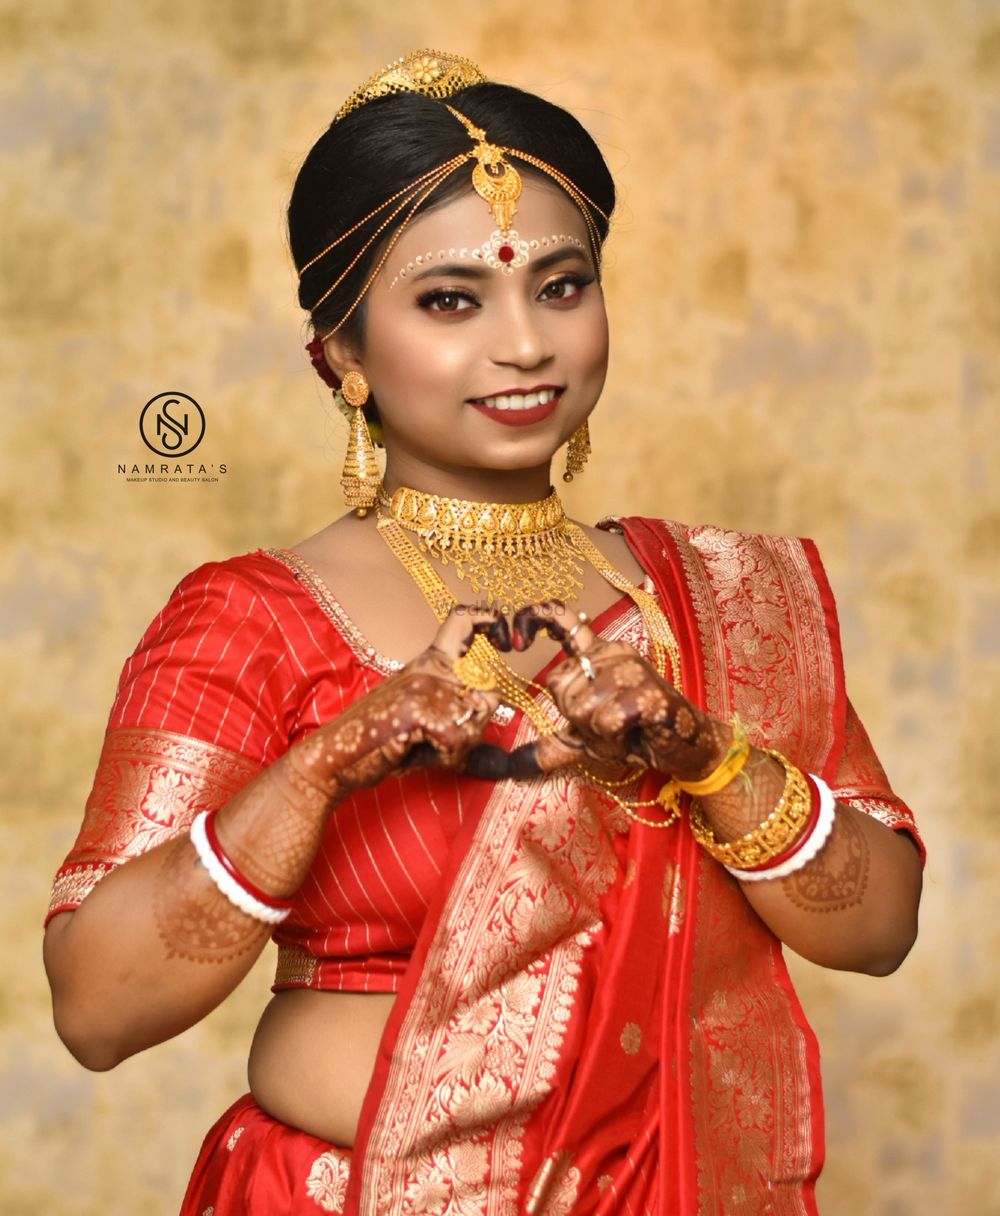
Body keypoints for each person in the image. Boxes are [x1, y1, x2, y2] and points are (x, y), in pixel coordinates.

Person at [43, 50, 923, 1216]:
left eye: (561, 286)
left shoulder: (713, 595)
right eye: (450, 300)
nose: (525, 343)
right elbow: (98, 1007)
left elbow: (877, 928)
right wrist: (325, 767)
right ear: (342, 354)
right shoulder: (251, 619)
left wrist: (704, 753)